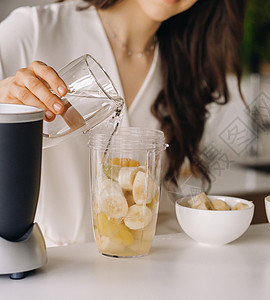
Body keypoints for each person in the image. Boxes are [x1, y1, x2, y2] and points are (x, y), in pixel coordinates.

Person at [0, 0, 245, 246]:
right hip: (43, 266)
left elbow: (159, 207)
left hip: (137, 268)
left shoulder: (187, 70)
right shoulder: (32, 30)